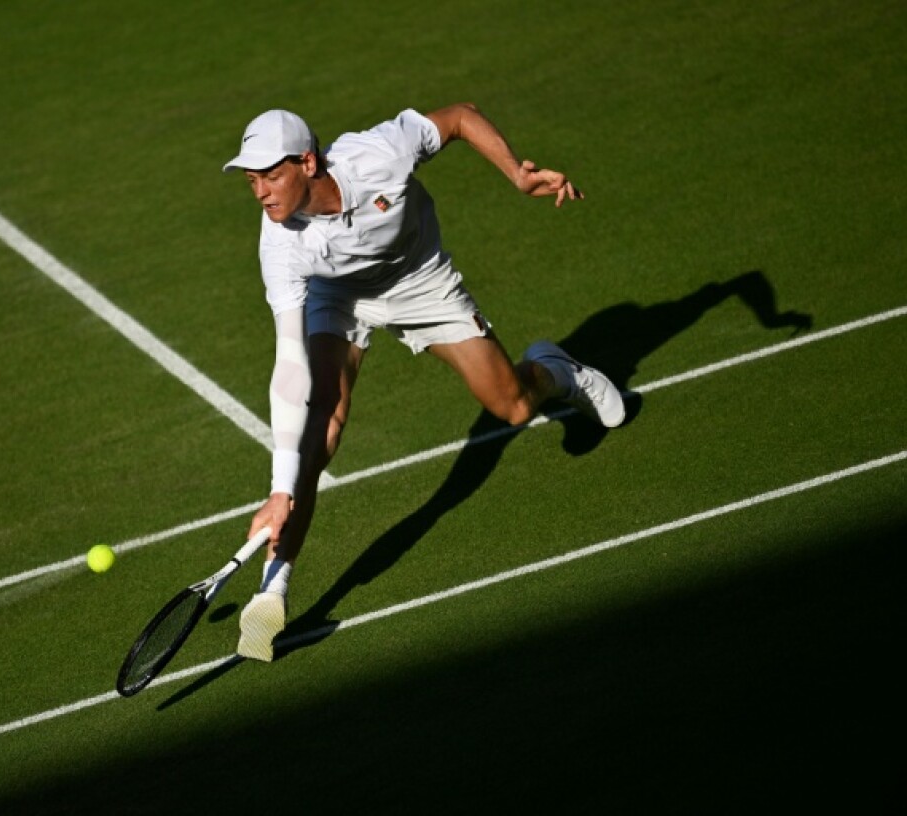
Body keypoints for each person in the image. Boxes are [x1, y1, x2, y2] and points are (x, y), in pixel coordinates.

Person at [222, 104, 625, 661]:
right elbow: (291, 367)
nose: (261, 192)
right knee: (321, 429)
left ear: (308, 162)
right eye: (251, 180)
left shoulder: (377, 153)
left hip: (418, 279)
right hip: (339, 296)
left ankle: (556, 371)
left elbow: (460, 117)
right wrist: (279, 487)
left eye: (271, 176)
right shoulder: (280, 244)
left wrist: (515, 172)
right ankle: (274, 584)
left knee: (510, 406)